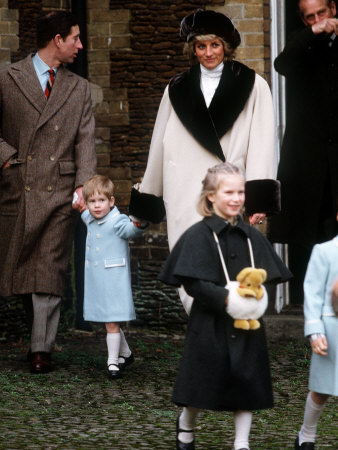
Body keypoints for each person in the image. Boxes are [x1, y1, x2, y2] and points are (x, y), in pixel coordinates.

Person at [129, 9, 280, 313]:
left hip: (228, 190)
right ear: (192, 49)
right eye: (201, 46)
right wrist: (147, 198)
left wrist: (259, 197)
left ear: (226, 46)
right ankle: (201, 332)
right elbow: (159, 144)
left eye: (214, 45)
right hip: (184, 189)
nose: (208, 53)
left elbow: (264, 141)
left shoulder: (253, 85)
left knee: (231, 265)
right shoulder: (176, 88)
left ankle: (231, 331)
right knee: (190, 263)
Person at [158, 163, 292, 450]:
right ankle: (187, 422)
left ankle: (241, 442)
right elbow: (192, 283)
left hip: (247, 326)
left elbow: (267, 275)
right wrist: (227, 299)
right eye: (228, 192)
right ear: (210, 196)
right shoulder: (199, 235)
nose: (236, 198)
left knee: (247, 380)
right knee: (202, 384)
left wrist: (258, 299)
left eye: (240, 192)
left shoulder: (251, 236)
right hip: (210, 324)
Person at [0, 11, 97, 373]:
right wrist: (6, 159)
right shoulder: (7, 78)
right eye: (75, 38)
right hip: (17, 188)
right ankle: (38, 335)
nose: (80, 45)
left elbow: (86, 140)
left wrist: (83, 186)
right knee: (24, 269)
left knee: (49, 268)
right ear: (57, 39)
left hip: (61, 191)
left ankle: (41, 348)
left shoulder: (79, 87)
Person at [268, 0, 338, 304]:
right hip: (307, 153)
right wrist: (314, 32)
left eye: (321, 13)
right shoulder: (301, 42)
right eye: (310, 17)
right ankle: (307, 300)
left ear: (333, 7)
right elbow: (281, 64)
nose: (317, 20)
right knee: (306, 226)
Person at [81, 175, 147, 379]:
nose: (97, 206)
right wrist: (78, 204)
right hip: (96, 280)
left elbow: (131, 230)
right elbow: (83, 213)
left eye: (101, 201)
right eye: (92, 201)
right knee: (108, 320)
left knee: (111, 322)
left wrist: (139, 223)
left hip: (113, 280)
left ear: (111, 201)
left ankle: (112, 362)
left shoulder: (117, 220)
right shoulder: (89, 217)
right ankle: (125, 353)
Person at [294, 211, 338, 450]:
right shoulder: (325, 251)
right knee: (322, 389)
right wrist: (315, 331)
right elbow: (312, 293)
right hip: (331, 329)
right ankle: (306, 435)